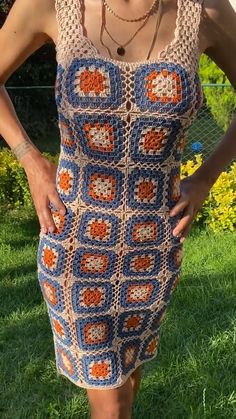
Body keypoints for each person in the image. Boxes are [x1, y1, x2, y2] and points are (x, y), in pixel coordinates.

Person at [0, 1, 236, 418]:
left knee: (126, 379)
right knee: (110, 401)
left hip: (154, 251)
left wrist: (204, 179)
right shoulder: (50, 4)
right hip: (74, 242)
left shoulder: (204, 12)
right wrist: (30, 159)